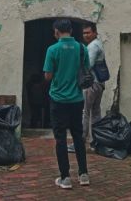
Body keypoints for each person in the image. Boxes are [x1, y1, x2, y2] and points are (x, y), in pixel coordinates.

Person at [43, 19, 90, 189]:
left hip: (58, 99)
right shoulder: (82, 49)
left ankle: (65, 177)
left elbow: (48, 76)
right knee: (78, 136)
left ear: (56, 31)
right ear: (71, 30)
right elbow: (86, 71)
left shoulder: (52, 49)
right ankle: (83, 174)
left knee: (60, 138)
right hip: (77, 99)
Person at [70, 22, 105, 152]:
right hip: (99, 83)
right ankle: (96, 141)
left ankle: (80, 142)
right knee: (95, 113)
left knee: (85, 112)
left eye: (88, 32)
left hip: (91, 84)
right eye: (84, 33)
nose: (86, 35)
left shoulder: (93, 46)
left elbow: (88, 65)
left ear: (95, 33)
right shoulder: (97, 44)